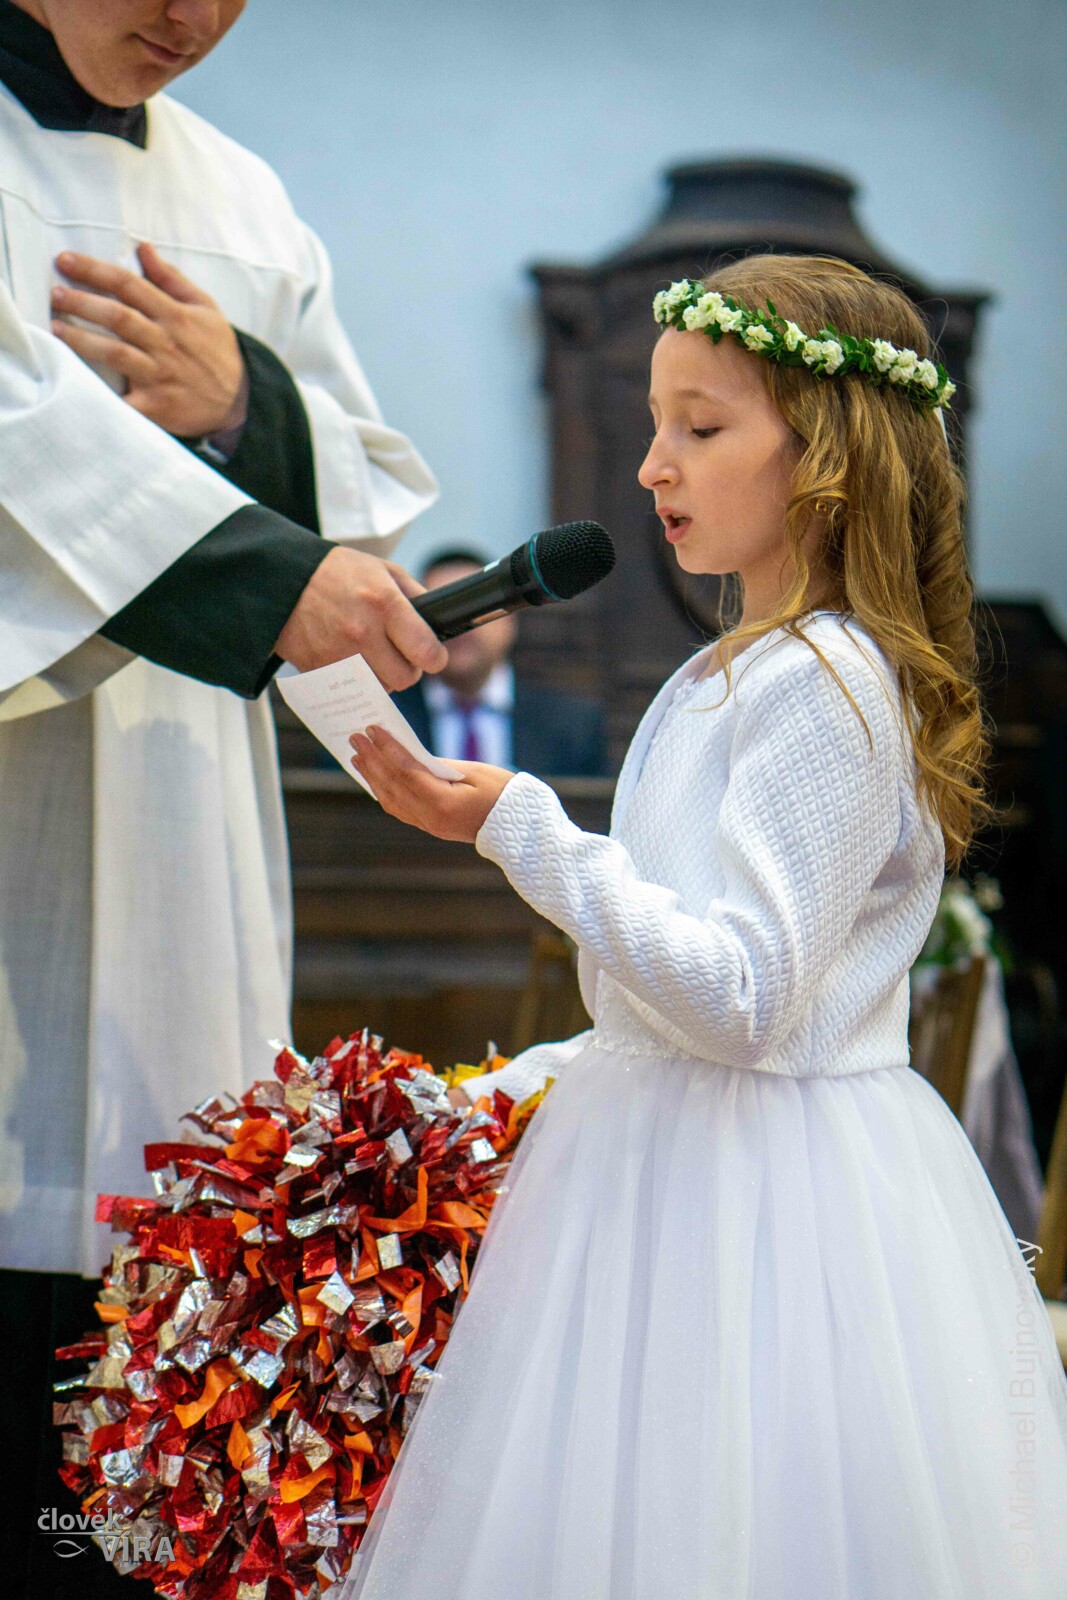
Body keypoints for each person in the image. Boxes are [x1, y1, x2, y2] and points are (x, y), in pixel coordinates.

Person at [346, 256, 1067, 1597]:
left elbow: (741, 1001)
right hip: (658, 1158)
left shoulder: (825, 679)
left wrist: (520, 825)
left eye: (700, 425)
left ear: (825, 457)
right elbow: (655, 994)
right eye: (650, 423)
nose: (650, 466)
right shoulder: (725, 669)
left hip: (760, 1202)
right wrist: (511, 1090)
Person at [0, 4, 446, 1592]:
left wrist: (247, 401)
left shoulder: (244, 200)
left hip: (191, 820)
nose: (188, 16)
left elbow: (366, 503)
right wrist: (262, 572)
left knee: (137, 1471)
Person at [391, 548, 610, 777]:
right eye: (441, 611)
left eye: (475, 606)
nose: (459, 624)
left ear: (509, 617)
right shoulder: (384, 721)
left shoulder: (573, 723)